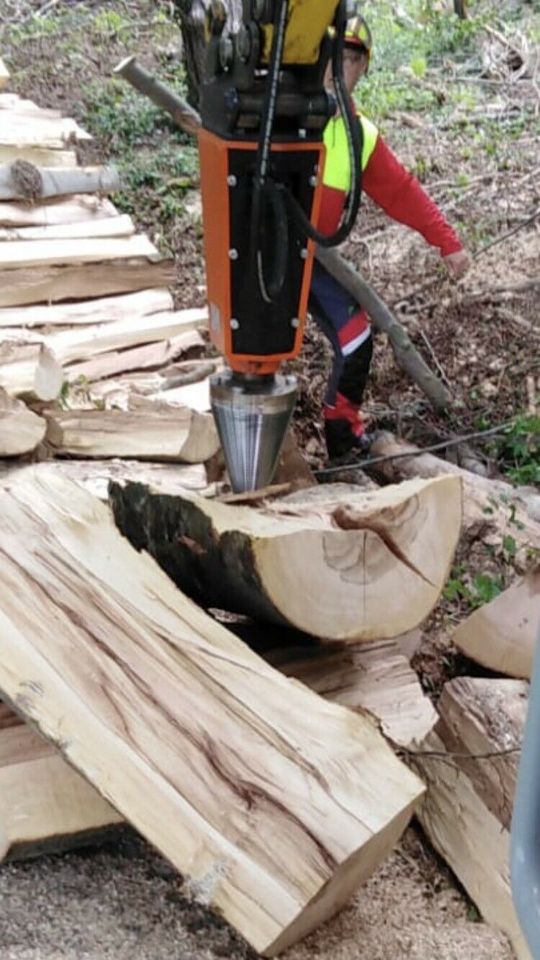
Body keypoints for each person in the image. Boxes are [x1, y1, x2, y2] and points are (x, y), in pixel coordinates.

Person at [310, 14, 470, 461]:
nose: (340, 67)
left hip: (315, 260)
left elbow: (401, 191)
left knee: (357, 338)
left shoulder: (359, 134)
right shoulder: (281, 113)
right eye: (333, 55)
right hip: (266, 255)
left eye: (351, 59)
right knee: (256, 353)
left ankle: (343, 445)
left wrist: (448, 242)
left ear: (364, 69)